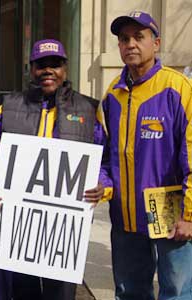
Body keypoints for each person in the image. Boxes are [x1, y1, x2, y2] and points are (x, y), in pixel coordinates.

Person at [0, 39, 106, 300]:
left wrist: (102, 186)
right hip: (18, 229)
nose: (48, 70)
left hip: (64, 231)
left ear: (64, 69)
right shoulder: (8, 108)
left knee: (62, 295)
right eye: (41, 65)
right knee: (24, 294)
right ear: (31, 69)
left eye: (54, 64)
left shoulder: (88, 110)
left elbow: (104, 164)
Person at [101, 11, 192, 300]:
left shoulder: (177, 88)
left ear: (156, 43)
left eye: (139, 37)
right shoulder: (112, 94)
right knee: (129, 292)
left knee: (176, 292)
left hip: (170, 215)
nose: (130, 44)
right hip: (125, 216)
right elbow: (103, 154)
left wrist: (189, 215)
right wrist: (103, 185)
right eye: (124, 39)